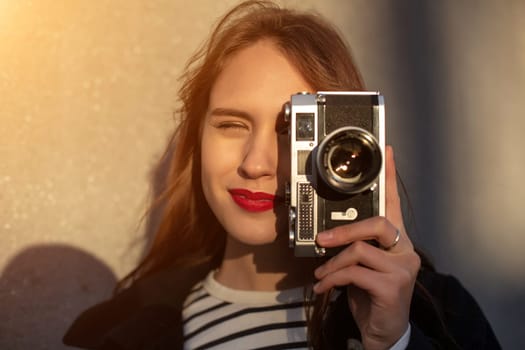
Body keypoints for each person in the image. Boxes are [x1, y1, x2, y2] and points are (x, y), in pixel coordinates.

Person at [63, 1, 501, 349]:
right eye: (231, 125)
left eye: (291, 131)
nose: (255, 164)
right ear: (196, 139)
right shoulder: (122, 330)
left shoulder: (439, 315)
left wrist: (394, 345)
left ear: (344, 143)